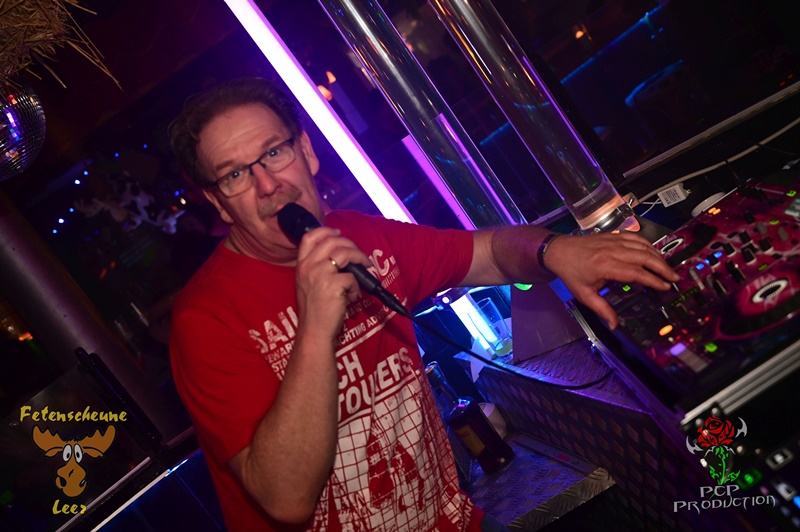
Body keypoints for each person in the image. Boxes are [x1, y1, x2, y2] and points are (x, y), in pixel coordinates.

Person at [167, 77, 679, 531]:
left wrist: (555, 250)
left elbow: (488, 253)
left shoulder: (363, 237)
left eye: (274, 152)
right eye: (235, 175)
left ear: (306, 150)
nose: (267, 186)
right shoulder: (204, 320)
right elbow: (285, 498)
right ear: (217, 202)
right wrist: (317, 327)